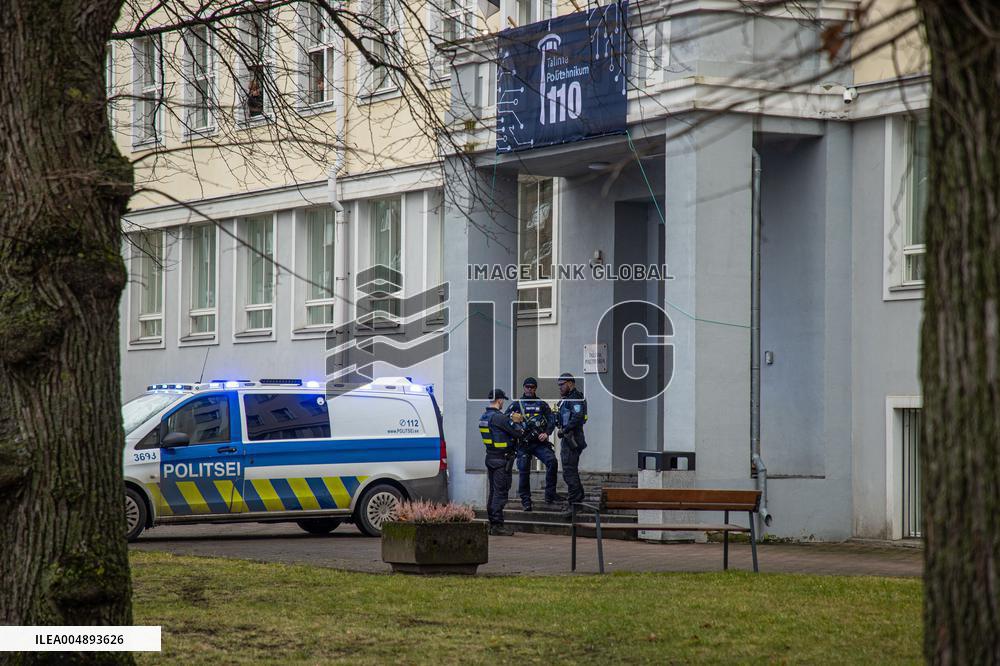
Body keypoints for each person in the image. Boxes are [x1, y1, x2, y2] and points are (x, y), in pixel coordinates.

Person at [506, 377, 561, 511]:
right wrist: (516, 425)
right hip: (523, 444)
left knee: (552, 462)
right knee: (524, 471)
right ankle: (526, 501)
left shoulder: (542, 404)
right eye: (527, 387)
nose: (530, 389)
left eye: (532, 387)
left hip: (539, 443)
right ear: (524, 388)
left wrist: (547, 433)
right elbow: (505, 420)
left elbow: (551, 420)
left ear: (535, 388)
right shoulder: (516, 404)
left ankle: (550, 495)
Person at [478, 388, 524, 536]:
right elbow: (518, 432)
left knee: (493, 492)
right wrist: (518, 422)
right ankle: (497, 525)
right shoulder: (500, 418)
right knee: (501, 492)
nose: (503, 402)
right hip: (502, 459)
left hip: (490, 457)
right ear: (499, 400)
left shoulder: (484, 416)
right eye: (503, 400)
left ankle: (493, 522)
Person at [556, 372, 588, 511]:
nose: (560, 388)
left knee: (569, 472)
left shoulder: (575, 398)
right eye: (559, 385)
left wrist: (565, 429)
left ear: (570, 383)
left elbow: (578, 416)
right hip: (570, 438)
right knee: (571, 470)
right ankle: (578, 497)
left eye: (562, 385)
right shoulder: (568, 398)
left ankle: (574, 504)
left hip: (572, 439)